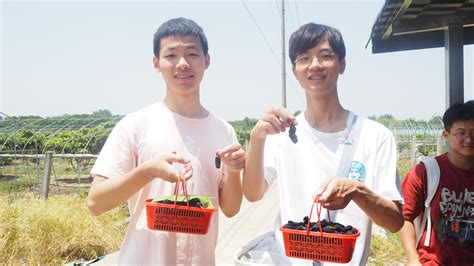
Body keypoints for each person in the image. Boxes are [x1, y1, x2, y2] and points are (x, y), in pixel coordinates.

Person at [241, 22, 404, 265]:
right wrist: (256, 139)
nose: (315, 64)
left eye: (325, 55)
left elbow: (394, 221)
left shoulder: (375, 136)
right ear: (295, 70)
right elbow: (253, 193)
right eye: (304, 58)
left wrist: (357, 191)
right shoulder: (283, 133)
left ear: (342, 64)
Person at [87, 17, 245, 265]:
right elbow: (96, 202)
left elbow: (231, 208)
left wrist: (234, 171)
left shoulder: (223, 130)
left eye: (192, 54)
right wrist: (148, 171)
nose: (182, 63)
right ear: (156, 63)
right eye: (171, 55)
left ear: (207, 60)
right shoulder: (135, 125)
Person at [400, 100, 474, 265]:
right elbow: (405, 217)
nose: (469, 139)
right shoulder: (426, 172)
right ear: (446, 135)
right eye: (461, 133)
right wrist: (413, 259)